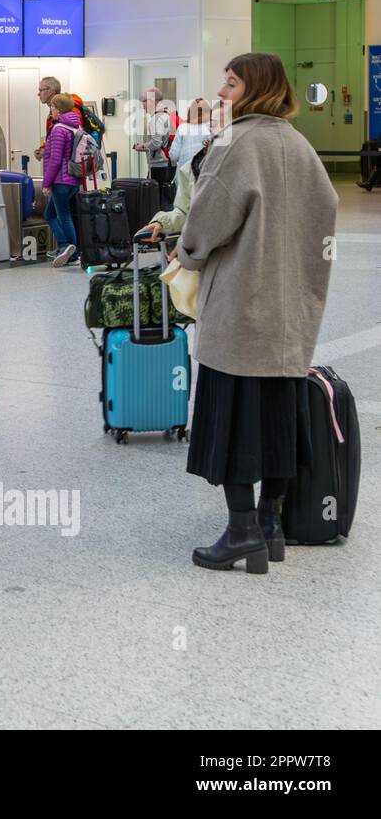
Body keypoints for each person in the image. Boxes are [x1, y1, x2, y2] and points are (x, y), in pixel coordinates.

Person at [176, 53, 338, 574]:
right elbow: (327, 208)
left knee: (233, 420)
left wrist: (188, 252)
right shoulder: (299, 144)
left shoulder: (236, 141)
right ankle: (270, 527)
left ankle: (240, 530)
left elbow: (208, 216)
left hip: (243, 306)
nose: (222, 90)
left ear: (255, 88)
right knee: (279, 420)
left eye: (230, 81)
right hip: (290, 313)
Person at [139, 99, 213, 243]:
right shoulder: (212, 128)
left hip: (185, 177)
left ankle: (184, 241)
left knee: (184, 210)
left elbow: (173, 156)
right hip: (207, 177)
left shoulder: (183, 129)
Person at [41, 94, 82, 268]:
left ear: (58, 108)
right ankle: (67, 247)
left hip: (60, 180)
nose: (51, 109)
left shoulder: (58, 129)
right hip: (73, 179)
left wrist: (46, 183)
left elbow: (55, 159)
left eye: (52, 106)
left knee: (63, 215)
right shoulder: (75, 127)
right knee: (50, 214)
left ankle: (69, 249)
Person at [133, 87, 178, 201]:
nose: (142, 105)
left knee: (153, 201)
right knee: (165, 199)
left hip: (159, 165)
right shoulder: (167, 115)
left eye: (144, 101)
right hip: (170, 163)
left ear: (152, 101)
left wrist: (141, 146)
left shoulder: (156, 119)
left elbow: (156, 143)